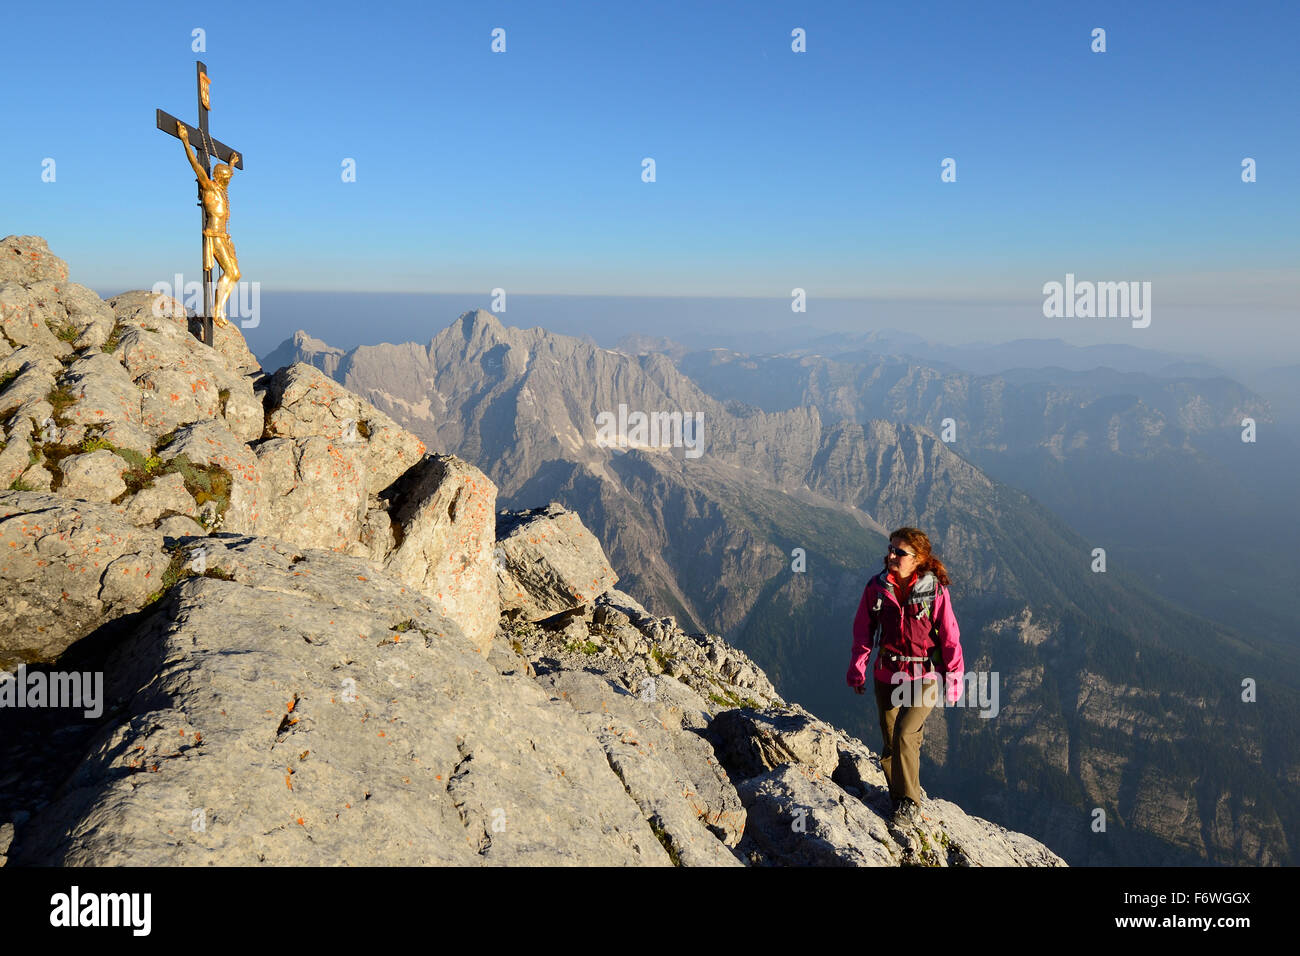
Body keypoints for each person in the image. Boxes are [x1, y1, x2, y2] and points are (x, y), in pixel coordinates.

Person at [846, 526, 964, 829]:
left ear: (918, 559)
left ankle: (910, 803)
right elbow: (863, 631)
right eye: (891, 548)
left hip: (924, 676)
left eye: (900, 551)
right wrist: (858, 668)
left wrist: (954, 677)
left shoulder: (934, 591)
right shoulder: (877, 588)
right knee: (889, 741)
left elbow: (950, 636)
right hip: (886, 673)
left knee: (905, 734)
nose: (891, 555)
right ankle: (899, 795)